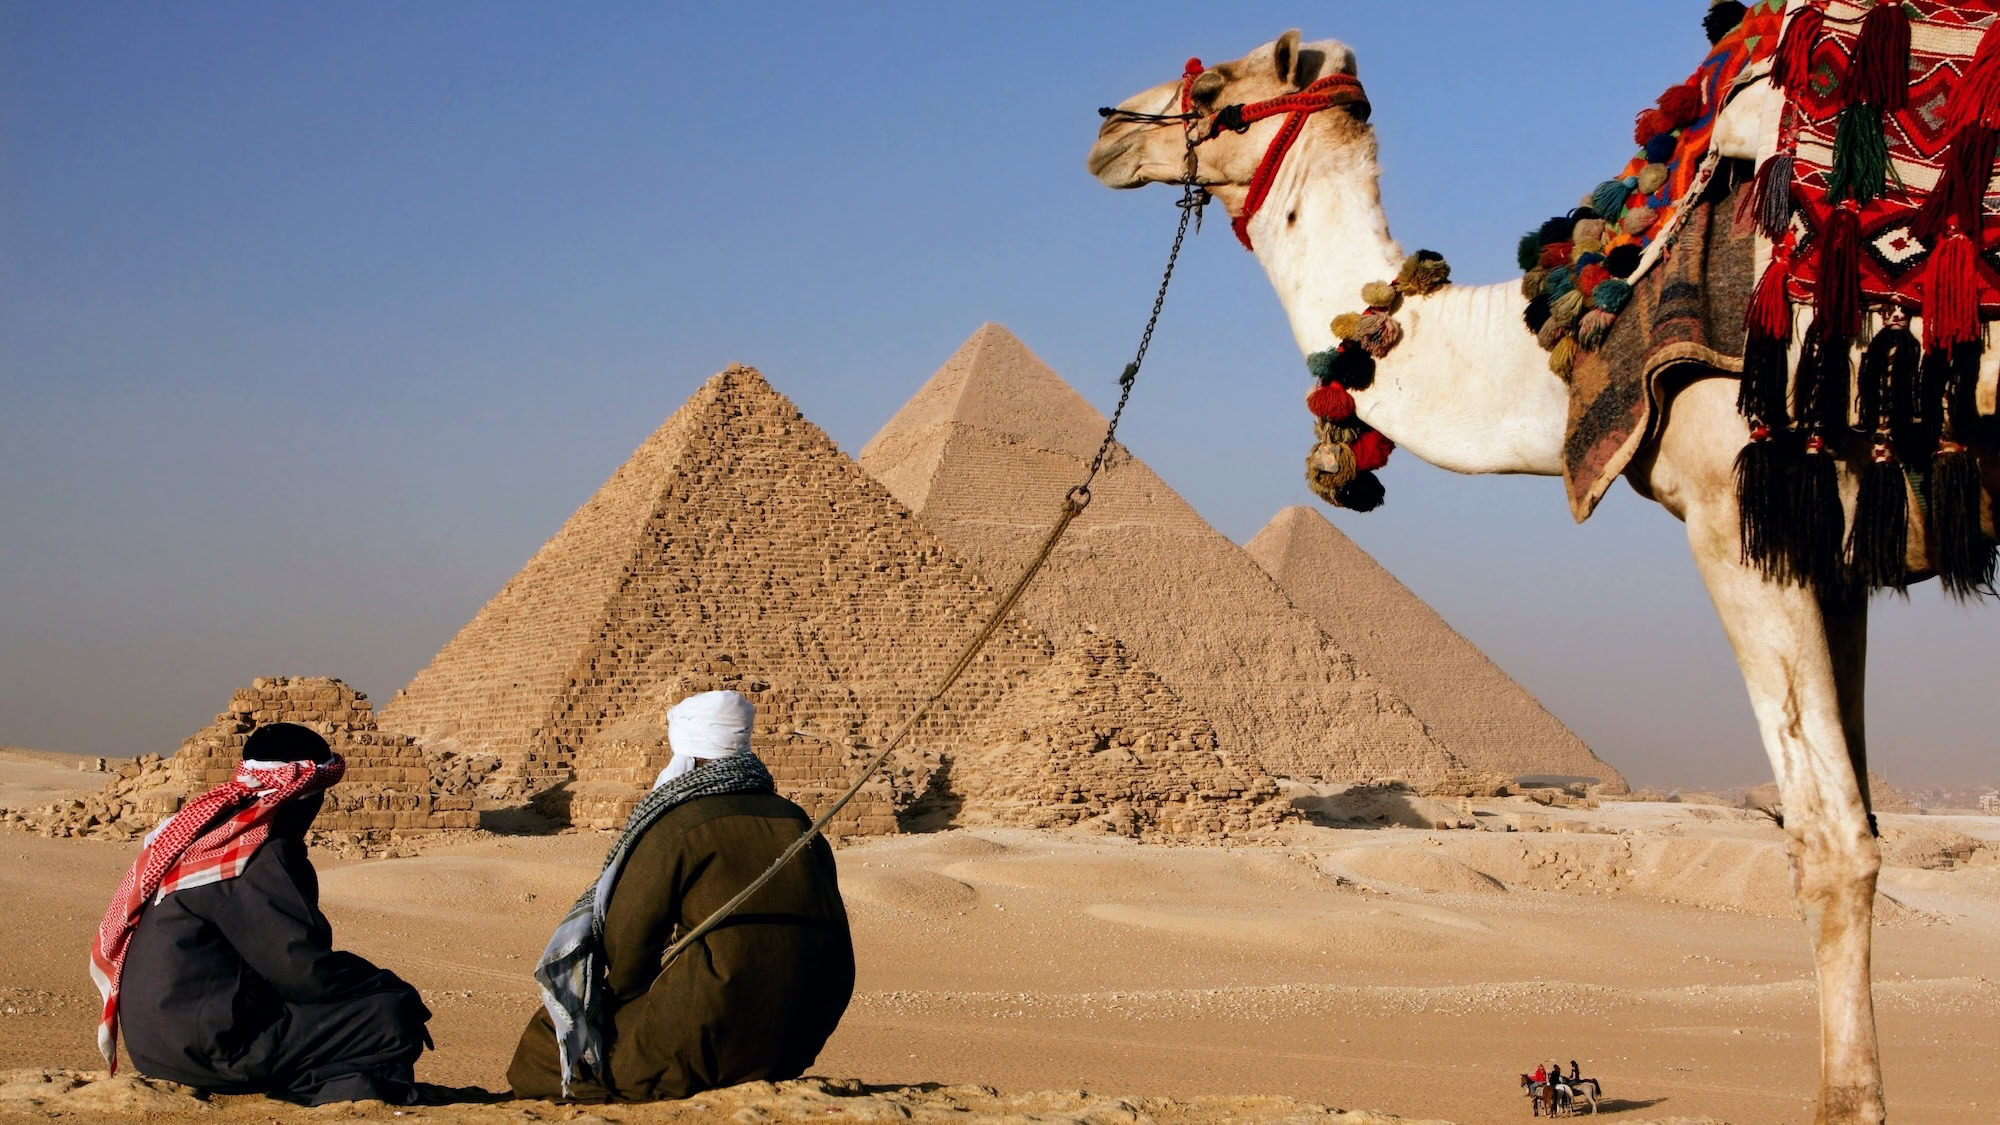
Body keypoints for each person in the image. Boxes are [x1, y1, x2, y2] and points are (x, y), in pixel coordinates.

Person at [508, 690, 855, 1102]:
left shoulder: (678, 823)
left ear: (685, 755)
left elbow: (627, 940)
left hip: (712, 1031)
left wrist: (625, 997)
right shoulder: (795, 819)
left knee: (545, 1046)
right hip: (799, 1034)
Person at [92, 723, 432, 1105]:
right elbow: (304, 972)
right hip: (208, 1050)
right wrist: (385, 985)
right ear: (304, 797)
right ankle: (337, 1092)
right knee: (391, 1016)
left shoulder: (207, 838)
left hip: (160, 1044)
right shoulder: (257, 858)